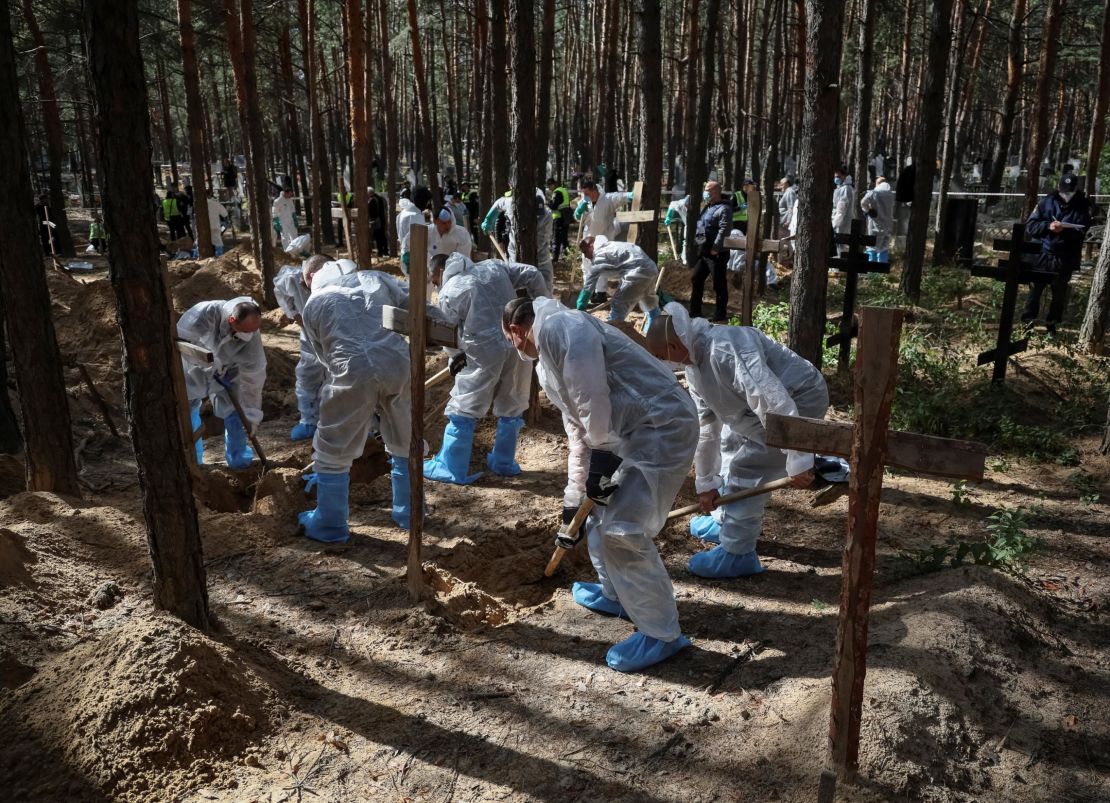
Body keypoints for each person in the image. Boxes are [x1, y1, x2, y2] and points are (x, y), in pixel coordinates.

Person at [503, 296, 698, 672]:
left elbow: (591, 396)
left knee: (622, 530)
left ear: (515, 331)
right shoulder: (546, 359)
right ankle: (617, 594)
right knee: (596, 516)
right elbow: (578, 430)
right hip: (628, 434)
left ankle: (662, 633)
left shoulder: (563, 327)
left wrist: (604, 458)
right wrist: (574, 498)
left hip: (663, 427)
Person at [645, 303, 828, 578]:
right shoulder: (694, 365)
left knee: (749, 468)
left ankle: (738, 552)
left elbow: (768, 397)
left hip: (798, 402)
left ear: (674, 345)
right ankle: (726, 520)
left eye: (661, 355)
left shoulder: (725, 348)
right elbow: (706, 427)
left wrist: (797, 455)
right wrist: (707, 483)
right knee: (729, 445)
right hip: (750, 410)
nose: (663, 363)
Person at [298, 268, 414, 542]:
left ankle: (330, 524)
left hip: (351, 368)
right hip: (396, 362)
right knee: (406, 437)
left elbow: (322, 357)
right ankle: (410, 513)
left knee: (333, 447)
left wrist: (354, 399)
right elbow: (415, 305)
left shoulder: (315, 303)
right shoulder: (375, 278)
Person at [424, 253, 548, 484]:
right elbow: (532, 273)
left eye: (433, 279)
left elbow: (444, 329)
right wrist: (541, 314)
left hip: (481, 350)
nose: (434, 284)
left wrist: (455, 356)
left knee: (466, 404)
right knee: (512, 402)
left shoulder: (450, 290)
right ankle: (503, 462)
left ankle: (452, 467)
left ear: (441, 271)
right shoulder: (493, 266)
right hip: (516, 340)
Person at [177, 297, 267, 469]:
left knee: (235, 410)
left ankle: (239, 460)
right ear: (231, 320)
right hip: (192, 367)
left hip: (228, 371)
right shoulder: (206, 312)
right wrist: (207, 360)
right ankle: (194, 463)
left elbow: (254, 376)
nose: (248, 336)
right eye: (244, 332)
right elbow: (183, 339)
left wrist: (253, 415)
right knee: (187, 408)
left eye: (253, 332)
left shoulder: (251, 335)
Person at [273, 246, 332, 442]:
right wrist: (294, 314)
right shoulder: (292, 278)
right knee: (308, 374)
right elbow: (280, 290)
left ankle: (332, 420)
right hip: (309, 333)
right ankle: (308, 420)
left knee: (336, 377)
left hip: (334, 335)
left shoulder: (337, 282)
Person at [1021, 173, 1092, 332]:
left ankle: (1052, 324)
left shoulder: (1083, 206)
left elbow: (1082, 231)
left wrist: (1064, 231)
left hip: (1064, 258)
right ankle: (1028, 322)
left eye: (1069, 192)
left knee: (1059, 294)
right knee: (1035, 291)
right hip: (1041, 255)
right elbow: (1031, 226)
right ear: (1058, 188)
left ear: (1076, 189)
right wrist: (1048, 226)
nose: (1066, 195)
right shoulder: (1045, 202)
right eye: (1063, 191)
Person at [480, 188, 555, 292]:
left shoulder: (546, 215)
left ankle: (546, 305)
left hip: (541, 258)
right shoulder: (512, 205)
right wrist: (489, 220)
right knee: (514, 291)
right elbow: (499, 203)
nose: (536, 218)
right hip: (516, 258)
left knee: (546, 289)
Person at [577, 236, 660, 324]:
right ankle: (656, 325)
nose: (585, 256)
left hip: (637, 273)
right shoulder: (611, 245)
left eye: (585, 252)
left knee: (619, 304)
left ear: (591, 245)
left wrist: (581, 305)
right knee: (647, 298)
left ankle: (612, 330)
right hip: (650, 269)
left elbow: (590, 282)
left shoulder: (600, 254)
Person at [691, 180, 732, 321]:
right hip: (704, 253)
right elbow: (700, 225)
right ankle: (695, 311)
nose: (705, 192)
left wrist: (716, 247)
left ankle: (720, 314)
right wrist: (699, 244)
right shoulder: (707, 207)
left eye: (708, 189)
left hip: (717, 253)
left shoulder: (724, 209)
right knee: (696, 278)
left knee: (719, 283)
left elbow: (724, 229)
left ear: (716, 191)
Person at [573, 179, 630, 243]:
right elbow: (578, 218)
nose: (585, 196)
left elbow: (619, 197)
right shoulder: (584, 202)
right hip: (589, 241)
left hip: (605, 240)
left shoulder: (607, 199)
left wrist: (630, 196)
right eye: (584, 194)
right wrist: (578, 212)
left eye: (587, 193)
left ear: (594, 190)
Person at [859, 176, 895, 263]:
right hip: (887, 224)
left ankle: (872, 272)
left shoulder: (873, 193)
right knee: (884, 247)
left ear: (877, 184)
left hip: (875, 223)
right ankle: (881, 272)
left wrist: (869, 210)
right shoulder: (890, 194)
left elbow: (863, 202)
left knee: (872, 246)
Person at [395, 193, 427, 276]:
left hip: (405, 251)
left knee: (410, 280)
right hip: (413, 253)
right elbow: (417, 238)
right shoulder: (415, 216)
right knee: (416, 281)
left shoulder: (404, 212)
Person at [547, 177, 572, 262]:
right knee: (564, 238)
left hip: (559, 218)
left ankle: (555, 258)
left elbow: (554, 206)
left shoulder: (556, 192)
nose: (549, 187)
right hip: (566, 217)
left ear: (553, 184)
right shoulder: (563, 190)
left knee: (556, 238)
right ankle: (567, 256)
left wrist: (547, 203)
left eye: (550, 185)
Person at [831, 166, 854, 254]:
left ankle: (841, 267)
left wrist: (835, 224)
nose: (836, 179)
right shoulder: (841, 188)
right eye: (835, 177)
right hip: (840, 221)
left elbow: (841, 208)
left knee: (842, 247)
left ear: (844, 176)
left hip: (842, 223)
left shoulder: (846, 189)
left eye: (838, 176)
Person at [367, 187, 390, 257]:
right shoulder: (381, 198)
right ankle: (385, 251)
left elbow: (372, 212)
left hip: (376, 221)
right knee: (383, 235)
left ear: (369, 193)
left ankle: (380, 252)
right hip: (382, 219)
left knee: (378, 237)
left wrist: (370, 220)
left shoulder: (372, 200)